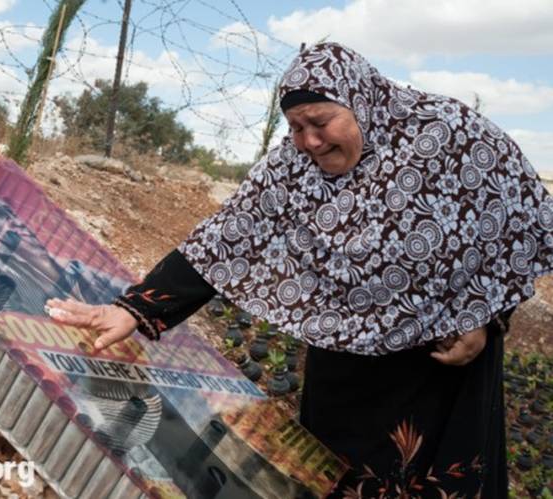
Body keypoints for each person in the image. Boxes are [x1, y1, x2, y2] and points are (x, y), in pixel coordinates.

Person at [46, 42, 553, 497]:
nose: (309, 141)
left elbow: (514, 227)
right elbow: (226, 238)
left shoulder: (449, 138)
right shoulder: (292, 169)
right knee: (340, 479)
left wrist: (488, 318)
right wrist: (133, 310)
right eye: (295, 127)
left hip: (442, 370)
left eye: (321, 122)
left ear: (362, 103)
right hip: (349, 374)